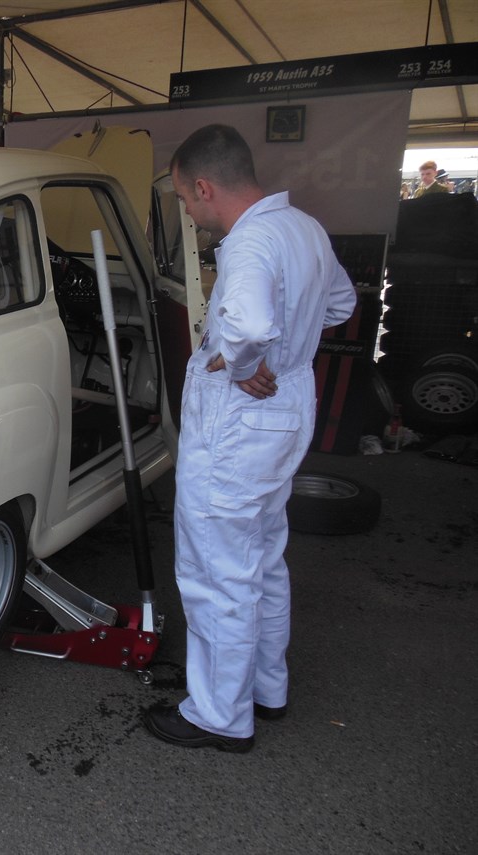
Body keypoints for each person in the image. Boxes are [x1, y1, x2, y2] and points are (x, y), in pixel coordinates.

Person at [144, 124, 356, 753]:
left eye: (186, 200)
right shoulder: (306, 229)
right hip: (287, 409)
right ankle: (266, 687)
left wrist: (241, 363)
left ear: (205, 186)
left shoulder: (250, 241)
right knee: (261, 557)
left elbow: (252, 324)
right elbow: (340, 304)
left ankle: (218, 714)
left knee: (216, 570)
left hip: (241, 417)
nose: (189, 210)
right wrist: (287, 348)